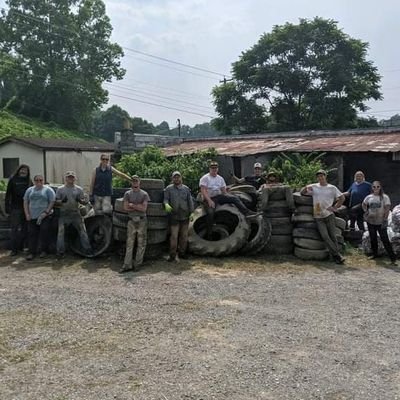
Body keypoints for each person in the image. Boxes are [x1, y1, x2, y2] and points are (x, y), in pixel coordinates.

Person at [199, 161, 260, 239]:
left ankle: (247, 212)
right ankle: (209, 233)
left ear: (217, 169)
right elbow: (203, 190)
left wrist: (229, 195)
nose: (214, 169)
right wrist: (209, 201)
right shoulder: (205, 178)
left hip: (219, 196)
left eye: (215, 168)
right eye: (212, 168)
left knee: (234, 198)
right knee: (210, 213)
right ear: (210, 169)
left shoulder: (220, 178)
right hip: (209, 198)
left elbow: (223, 191)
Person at [301, 169, 346, 264]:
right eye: (318, 176)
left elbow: (342, 198)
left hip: (329, 215)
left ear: (325, 176)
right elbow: (302, 193)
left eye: (322, 176)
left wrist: (334, 207)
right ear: (317, 177)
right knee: (325, 236)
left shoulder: (332, 188)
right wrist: (306, 187)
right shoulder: (314, 187)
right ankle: (337, 255)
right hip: (318, 216)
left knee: (333, 236)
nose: (320, 177)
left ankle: (335, 256)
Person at [55, 171, 92, 258]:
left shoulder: (79, 189)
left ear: (75, 178)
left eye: (72, 177)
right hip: (64, 213)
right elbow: (55, 202)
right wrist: (61, 201)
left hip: (75, 213)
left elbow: (83, 201)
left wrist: (82, 201)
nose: (70, 179)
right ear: (66, 178)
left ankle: (87, 249)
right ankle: (60, 251)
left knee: (83, 231)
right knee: (60, 232)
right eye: (69, 177)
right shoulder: (60, 189)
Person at [362, 181, 397, 265]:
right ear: (372, 188)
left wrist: (385, 219)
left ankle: (392, 258)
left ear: (380, 187)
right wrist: (366, 211)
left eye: (377, 187)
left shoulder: (385, 197)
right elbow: (363, 204)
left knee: (385, 240)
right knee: (373, 238)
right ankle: (375, 254)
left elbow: (387, 209)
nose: (376, 188)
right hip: (371, 221)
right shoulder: (369, 197)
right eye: (374, 187)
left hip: (381, 222)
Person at [120, 175, 150, 272]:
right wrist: (138, 206)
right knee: (129, 243)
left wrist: (132, 205)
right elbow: (125, 207)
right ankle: (127, 265)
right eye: (133, 181)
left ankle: (137, 265)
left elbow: (144, 209)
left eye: (136, 181)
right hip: (131, 220)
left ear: (139, 182)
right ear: (131, 183)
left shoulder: (144, 194)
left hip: (142, 220)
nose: (135, 183)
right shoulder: (127, 194)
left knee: (141, 243)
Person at [23, 174, 56, 260]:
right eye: (37, 180)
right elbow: (26, 202)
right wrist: (27, 214)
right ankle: (31, 252)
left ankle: (43, 251)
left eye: (40, 180)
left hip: (44, 215)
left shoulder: (48, 190)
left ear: (43, 181)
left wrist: (46, 212)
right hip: (32, 215)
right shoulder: (29, 190)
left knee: (44, 232)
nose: (39, 182)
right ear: (34, 181)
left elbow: (52, 202)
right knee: (31, 233)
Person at [164, 171, 194, 262]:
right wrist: (166, 204)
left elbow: (190, 201)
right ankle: (172, 255)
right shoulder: (168, 189)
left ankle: (182, 253)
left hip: (185, 216)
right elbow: (165, 199)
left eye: (178, 177)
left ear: (181, 178)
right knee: (174, 236)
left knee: (184, 236)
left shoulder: (186, 189)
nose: (177, 179)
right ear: (172, 179)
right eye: (175, 177)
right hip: (174, 216)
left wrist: (192, 212)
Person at [5, 164, 32, 256]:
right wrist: (7, 208)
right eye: (22, 169)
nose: (23, 171)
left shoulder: (29, 181)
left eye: (25, 170)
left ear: (28, 172)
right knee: (14, 229)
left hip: (27, 208)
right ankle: (14, 249)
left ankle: (23, 247)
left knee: (25, 229)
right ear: (19, 170)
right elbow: (8, 194)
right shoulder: (13, 180)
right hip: (15, 208)